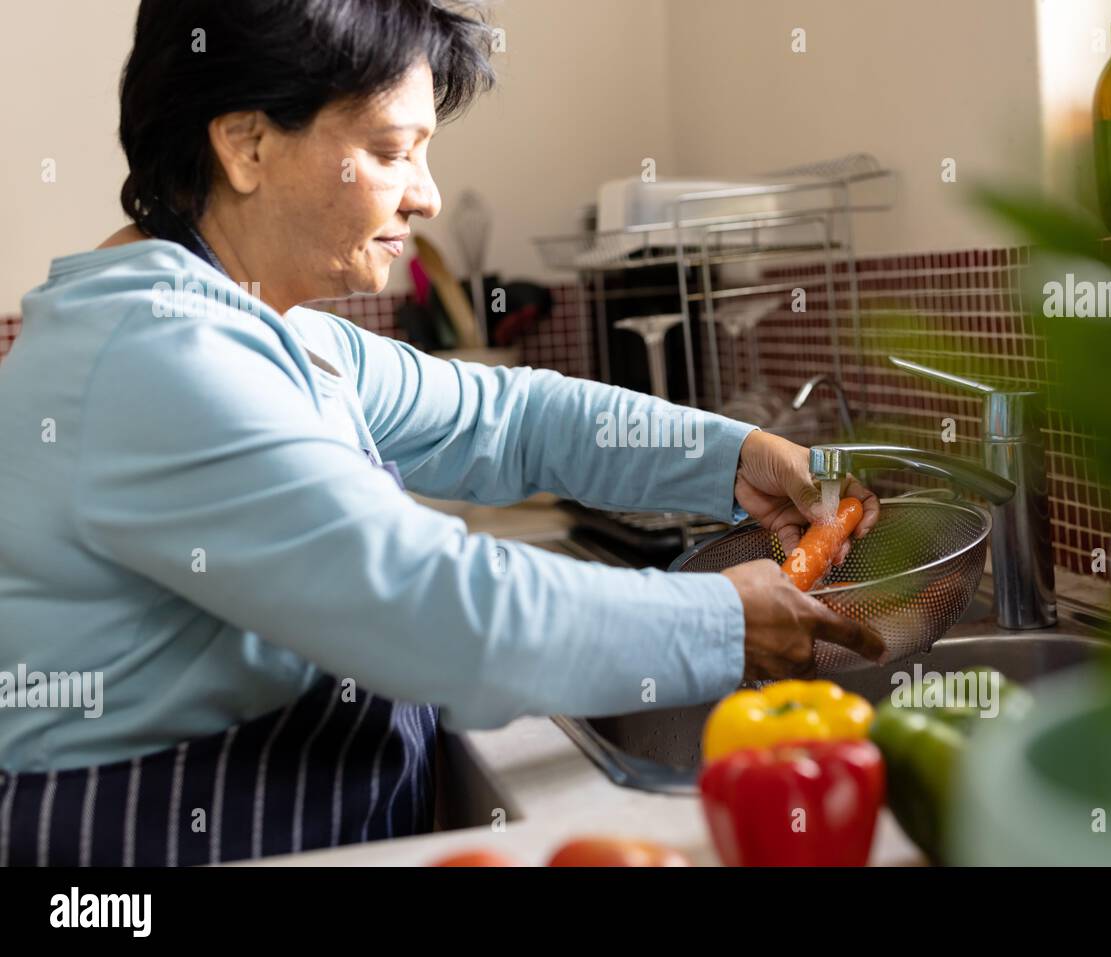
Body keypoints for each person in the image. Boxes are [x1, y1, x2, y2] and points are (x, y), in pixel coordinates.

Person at [0, 0, 881, 866]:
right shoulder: (160, 354)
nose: (426, 195)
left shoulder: (261, 326)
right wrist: (721, 620)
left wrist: (729, 455)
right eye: (392, 151)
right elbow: (432, 608)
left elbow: (507, 416)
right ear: (246, 144)